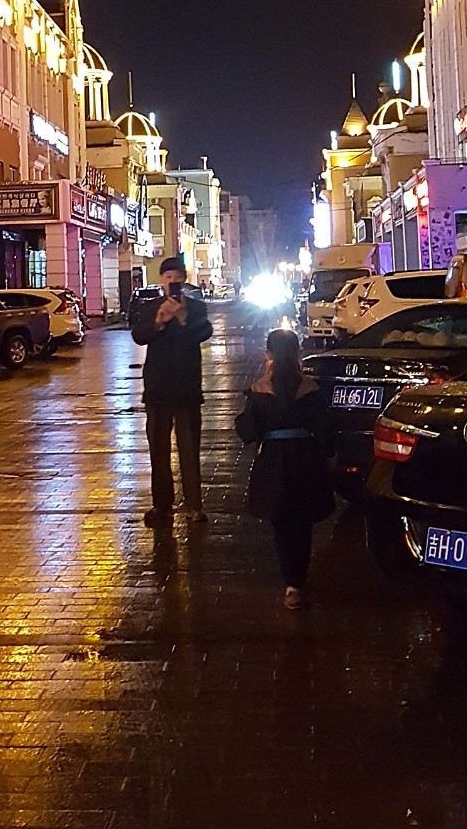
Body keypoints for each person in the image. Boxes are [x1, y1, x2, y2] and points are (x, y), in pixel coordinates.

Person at [235, 328, 334, 607]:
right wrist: (328, 454)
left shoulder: (260, 390)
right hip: (305, 459)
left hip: (273, 462)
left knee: (281, 524)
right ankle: (299, 580)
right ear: (297, 354)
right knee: (302, 524)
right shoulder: (310, 389)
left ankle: (290, 584)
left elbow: (248, 430)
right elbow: (325, 432)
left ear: (269, 355)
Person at [129, 256, 213, 526]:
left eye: (178, 277)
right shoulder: (150, 306)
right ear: (161, 279)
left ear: (184, 279)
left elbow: (204, 332)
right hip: (157, 389)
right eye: (168, 277)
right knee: (159, 452)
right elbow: (139, 335)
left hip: (187, 388)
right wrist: (160, 320)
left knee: (189, 451)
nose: (173, 281)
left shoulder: (197, 308)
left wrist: (183, 317)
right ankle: (161, 505)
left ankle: (194, 506)